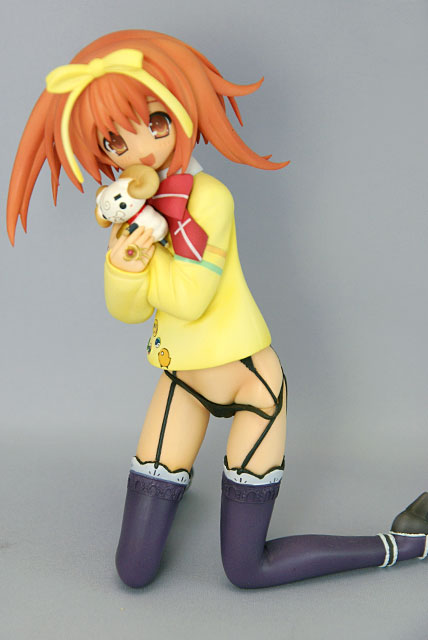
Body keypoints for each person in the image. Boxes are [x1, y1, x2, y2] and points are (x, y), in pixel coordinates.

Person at [7, 30, 428, 589]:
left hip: (252, 386)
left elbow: (190, 298)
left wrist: (147, 257)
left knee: (246, 569)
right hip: (182, 380)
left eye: (155, 121)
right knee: (133, 571)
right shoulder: (136, 208)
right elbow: (127, 311)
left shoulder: (210, 200)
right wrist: (123, 266)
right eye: (114, 140)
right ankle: (178, 491)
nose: (139, 148)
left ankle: (405, 543)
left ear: (181, 111)